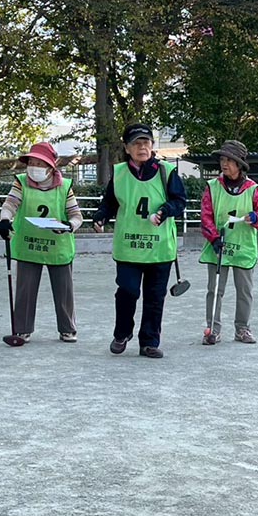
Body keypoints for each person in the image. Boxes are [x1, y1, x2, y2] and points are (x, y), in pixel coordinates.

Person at [92, 123, 187, 359]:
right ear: (126, 147)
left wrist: (166, 210)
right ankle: (122, 333)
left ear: (152, 146)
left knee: (155, 297)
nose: (142, 147)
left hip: (159, 247)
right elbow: (110, 202)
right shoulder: (120, 173)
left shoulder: (167, 171)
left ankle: (149, 342)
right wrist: (101, 216)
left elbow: (180, 202)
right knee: (127, 290)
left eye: (146, 142)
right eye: (136, 143)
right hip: (129, 246)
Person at [0, 142, 82, 343]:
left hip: (58, 244)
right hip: (29, 244)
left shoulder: (65, 187)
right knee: (25, 290)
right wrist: (4, 219)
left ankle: (67, 329)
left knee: (64, 291)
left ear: (50, 166)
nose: (34, 166)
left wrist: (69, 225)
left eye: (39, 162)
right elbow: (10, 204)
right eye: (31, 162)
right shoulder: (20, 182)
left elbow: (76, 215)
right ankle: (22, 329)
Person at [198, 140, 258, 345]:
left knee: (244, 291)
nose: (225, 164)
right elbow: (206, 216)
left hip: (244, 248)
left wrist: (256, 218)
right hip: (218, 247)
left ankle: (242, 329)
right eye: (222, 159)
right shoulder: (212, 187)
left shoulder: (253, 189)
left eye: (230, 160)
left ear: (240, 165)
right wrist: (213, 238)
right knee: (214, 290)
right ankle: (212, 329)